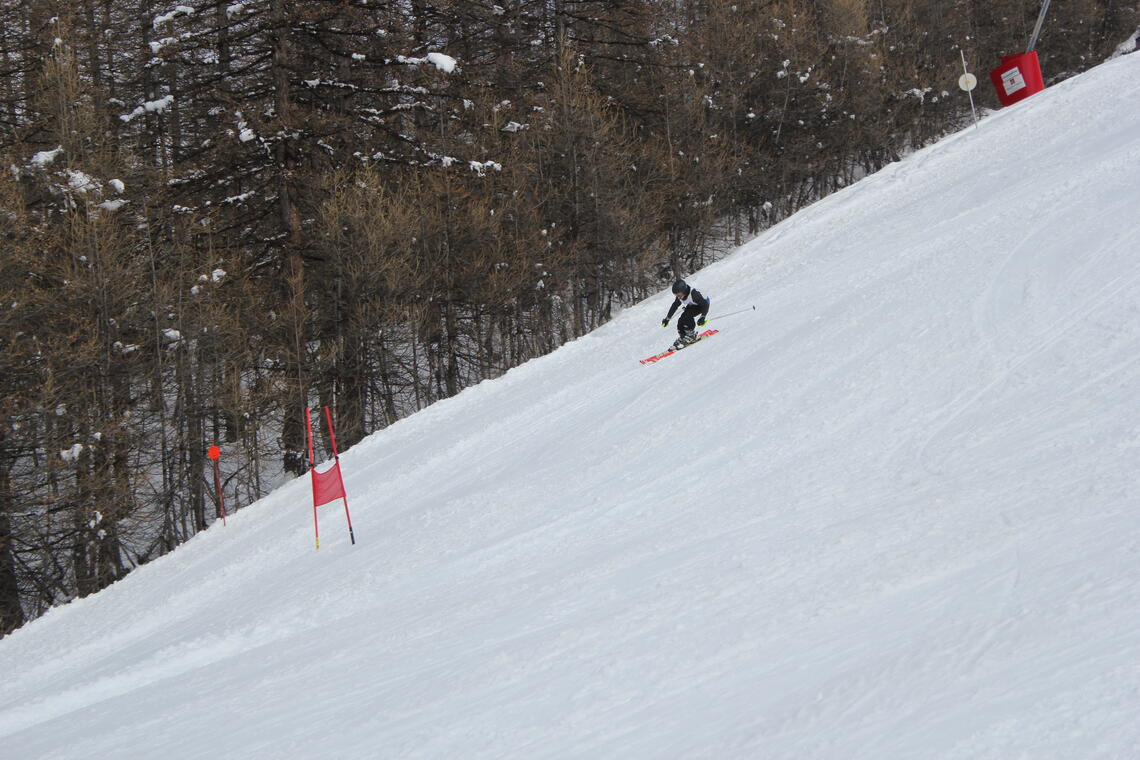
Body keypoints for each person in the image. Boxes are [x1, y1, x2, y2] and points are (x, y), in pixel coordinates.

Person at [661, 278, 710, 350]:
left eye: (679, 295)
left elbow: (705, 304)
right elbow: (674, 306)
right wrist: (667, 319)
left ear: (684, 291)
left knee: (687, 316)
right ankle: (683, 337)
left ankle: (691, 335)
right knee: (681, 320)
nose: (678, 297)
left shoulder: (693, 294)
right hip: (693, 304)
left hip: (702, 305)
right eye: (676, 295)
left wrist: (702, 317)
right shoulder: (681, 295)